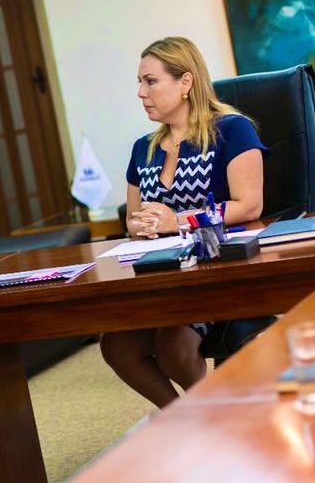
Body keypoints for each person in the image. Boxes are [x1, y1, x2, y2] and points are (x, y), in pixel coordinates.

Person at [100, 37, 268, 409]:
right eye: (139, 83)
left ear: (186, 82)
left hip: (218, 272)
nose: (141, 93)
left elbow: (250, 205)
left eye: (151, 81)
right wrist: (141, 225)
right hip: (163, 277)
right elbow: (132, 220)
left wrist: (176, 220)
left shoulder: (232, 130)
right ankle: (184, 417)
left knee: (173, 346)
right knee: (116, 345)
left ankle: (213, 416)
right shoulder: (142, 147)